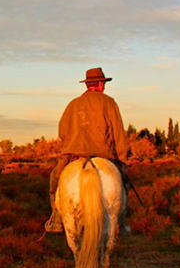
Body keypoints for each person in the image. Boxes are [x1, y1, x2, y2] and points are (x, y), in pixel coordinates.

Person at [45, 67, 129, 233]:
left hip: (73, 156)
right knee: (122, 182)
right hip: (105, 156)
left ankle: (56, 217)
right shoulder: (109, 103)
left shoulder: (73, 105)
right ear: (99, 83)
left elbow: (62, 131)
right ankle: (122, 221)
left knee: (55, 180)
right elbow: (119, 134)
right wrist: (123, 160)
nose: (104, 86)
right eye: (103, 83)